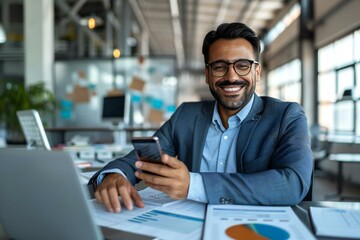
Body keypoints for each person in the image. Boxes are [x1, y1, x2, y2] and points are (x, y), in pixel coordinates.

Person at [89, 22, 313, 213]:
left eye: (243, 66)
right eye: (219, 67)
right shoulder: (187, 115)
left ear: (257, 72)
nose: (231, 76)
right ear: (207, 74)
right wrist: (114, 175)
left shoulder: (286, 116)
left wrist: (193, 185)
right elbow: (140, 160)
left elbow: (292, 184)